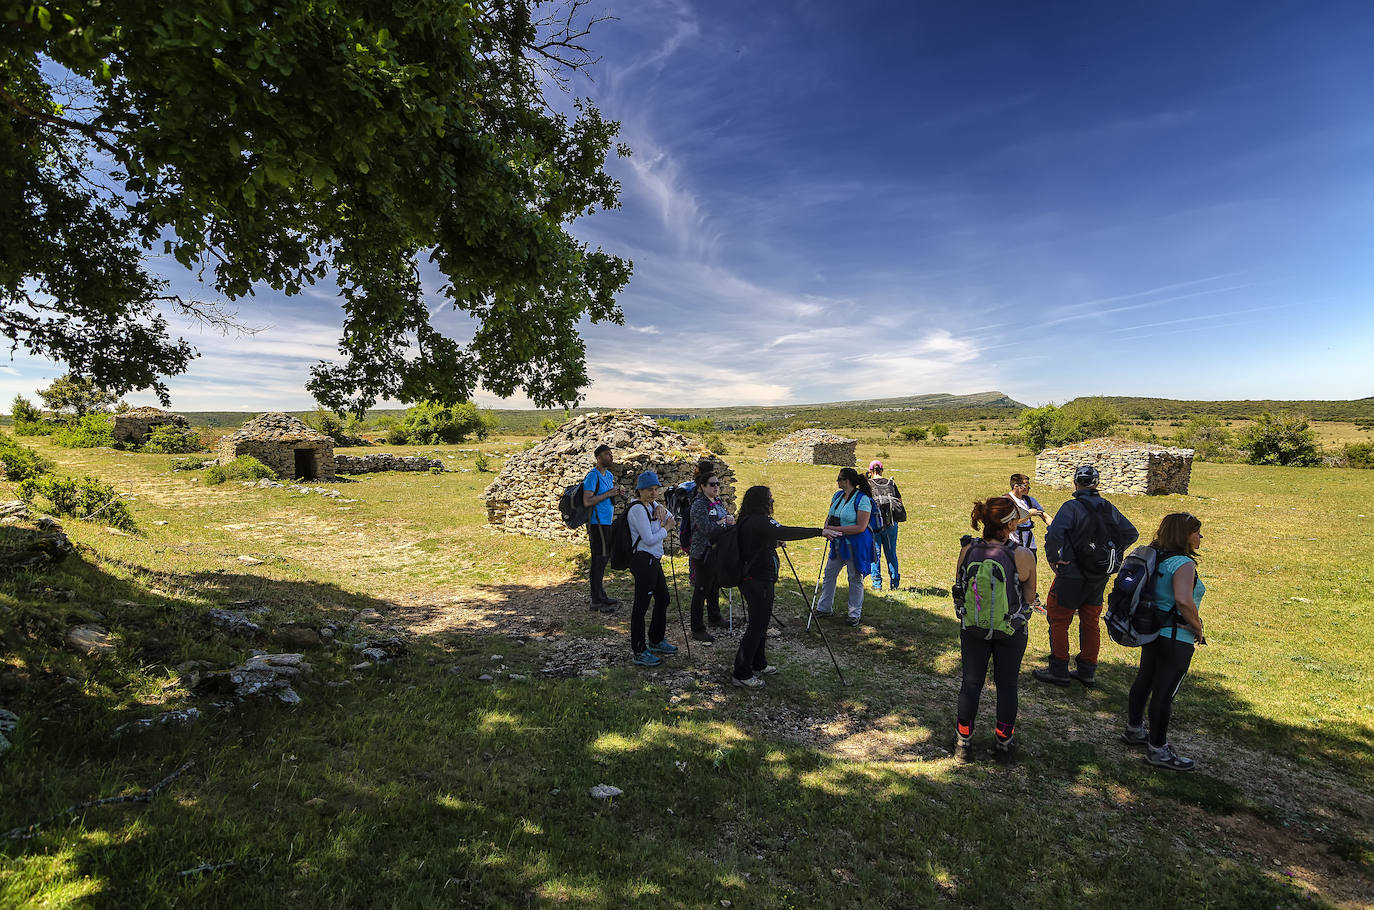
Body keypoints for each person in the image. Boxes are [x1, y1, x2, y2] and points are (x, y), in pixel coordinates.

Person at [1034, 465, 1139, 687]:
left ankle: (1059, 669)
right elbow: (1131, 533)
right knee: (1091, 620)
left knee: (1059, 619)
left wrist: (1053, 557)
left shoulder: (1071, 507)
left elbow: (1054, 534)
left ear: (1075, 483)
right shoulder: (1108, 507)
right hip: (1099, 575)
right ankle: (1087, 670)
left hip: (1071, 572)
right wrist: (1110, 551)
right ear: (1096, 484)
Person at [952, 496, 1037, 761]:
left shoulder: (968, 550)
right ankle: (1003, 742)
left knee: (971, 684)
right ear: (1010, 524)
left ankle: (963, 742)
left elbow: (960, 585)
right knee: (1007, 685)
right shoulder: (1022, 555)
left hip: (973, 628)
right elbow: (1030, 596)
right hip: (1010, 631)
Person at [731, 485, 839, 688]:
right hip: (757, 581)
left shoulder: (749, 520)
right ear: (760, 501)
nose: (772, 501)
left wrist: (772, 543)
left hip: (756, 579)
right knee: (756, 626)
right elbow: (787, 531)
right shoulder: (760, 521)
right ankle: (741, 673)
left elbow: (757, 543)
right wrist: (820, 532)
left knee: (761, 624)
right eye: (769, 498)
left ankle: (758, 663)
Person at [1125, 513, 1207, 771]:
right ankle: (1158, 749)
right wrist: (1198, 627)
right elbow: (1183, 600)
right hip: (1176, 635)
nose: (1200, 537)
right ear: (1184, 535)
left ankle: (1134, 729)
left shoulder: (1156, 556)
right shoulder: (1183, 563)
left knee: (1145, 679)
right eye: (1197, 532)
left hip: (1152, 630)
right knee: (1164, 693)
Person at [625, 470, 680, 667]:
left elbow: (672, 517)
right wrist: (666, 529)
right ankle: (639, 650)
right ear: (640, 490)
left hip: (653, 560)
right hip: (643, 560)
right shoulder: (638, 509)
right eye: (649, 490)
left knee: (663, 598)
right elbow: (648, 539)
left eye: (656, 489)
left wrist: (662, 509)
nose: (653, 493)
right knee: (641, 606)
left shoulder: (653, 505)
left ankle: (656, 640)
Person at [815, 466, 876, 626]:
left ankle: (854, 614)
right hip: (837, 543)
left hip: (855, 545)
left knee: (854, 578)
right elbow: (829, 516)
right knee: (829, 574)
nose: (837, 481)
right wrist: (827, 527)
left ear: (846, 481)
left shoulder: (862, 500)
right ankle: (824, 608)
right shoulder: (837, 496)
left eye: (839, 478)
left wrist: (834, 529)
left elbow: (860, 527)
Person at [687, 460, 732, 642]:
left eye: (718, 484)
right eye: (712, 484)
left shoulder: (717, 501)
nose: (716, 487)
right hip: (703, 551)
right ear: (702, 486)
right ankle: (697, 628)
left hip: (716, 551)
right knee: (701, 589)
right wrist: (724, 523)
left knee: (714, 585)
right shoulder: (699, 505)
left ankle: (714, 617)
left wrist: (728, 521)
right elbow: (706, 528)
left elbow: (725, 519)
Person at [583, 444, 623, 612]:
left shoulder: (609, 475)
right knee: (598, 560)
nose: (611, 457)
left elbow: (609, 494)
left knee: (604, 558)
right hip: (596, 523)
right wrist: (609, 494)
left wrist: (618, 492)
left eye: (611, 454)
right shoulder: (593, 476)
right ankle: (596, 600)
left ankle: (601, 595)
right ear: (598, 458)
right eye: (607, 454)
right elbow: (587, 501)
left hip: (606, 522)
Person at [866, 459, 904, 591]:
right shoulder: (891, 483)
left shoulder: (868, 484)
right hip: (891, 524)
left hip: (874, 525)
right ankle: (894, 583)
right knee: (891, 553)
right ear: (882, 470)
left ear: (870, 471)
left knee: (875, 554)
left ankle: (877, 585)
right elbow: (899, 501)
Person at [1007, 473, 1049, 558]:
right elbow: (1010, 524)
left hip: (1030, 545)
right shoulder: (1007, 501)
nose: (1029, 488)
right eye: (1026, 485)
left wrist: (1057, 527)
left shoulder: (1029, 500)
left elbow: (1044, 515)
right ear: (1016, 486)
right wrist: (1028, 514)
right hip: (1013, 545)